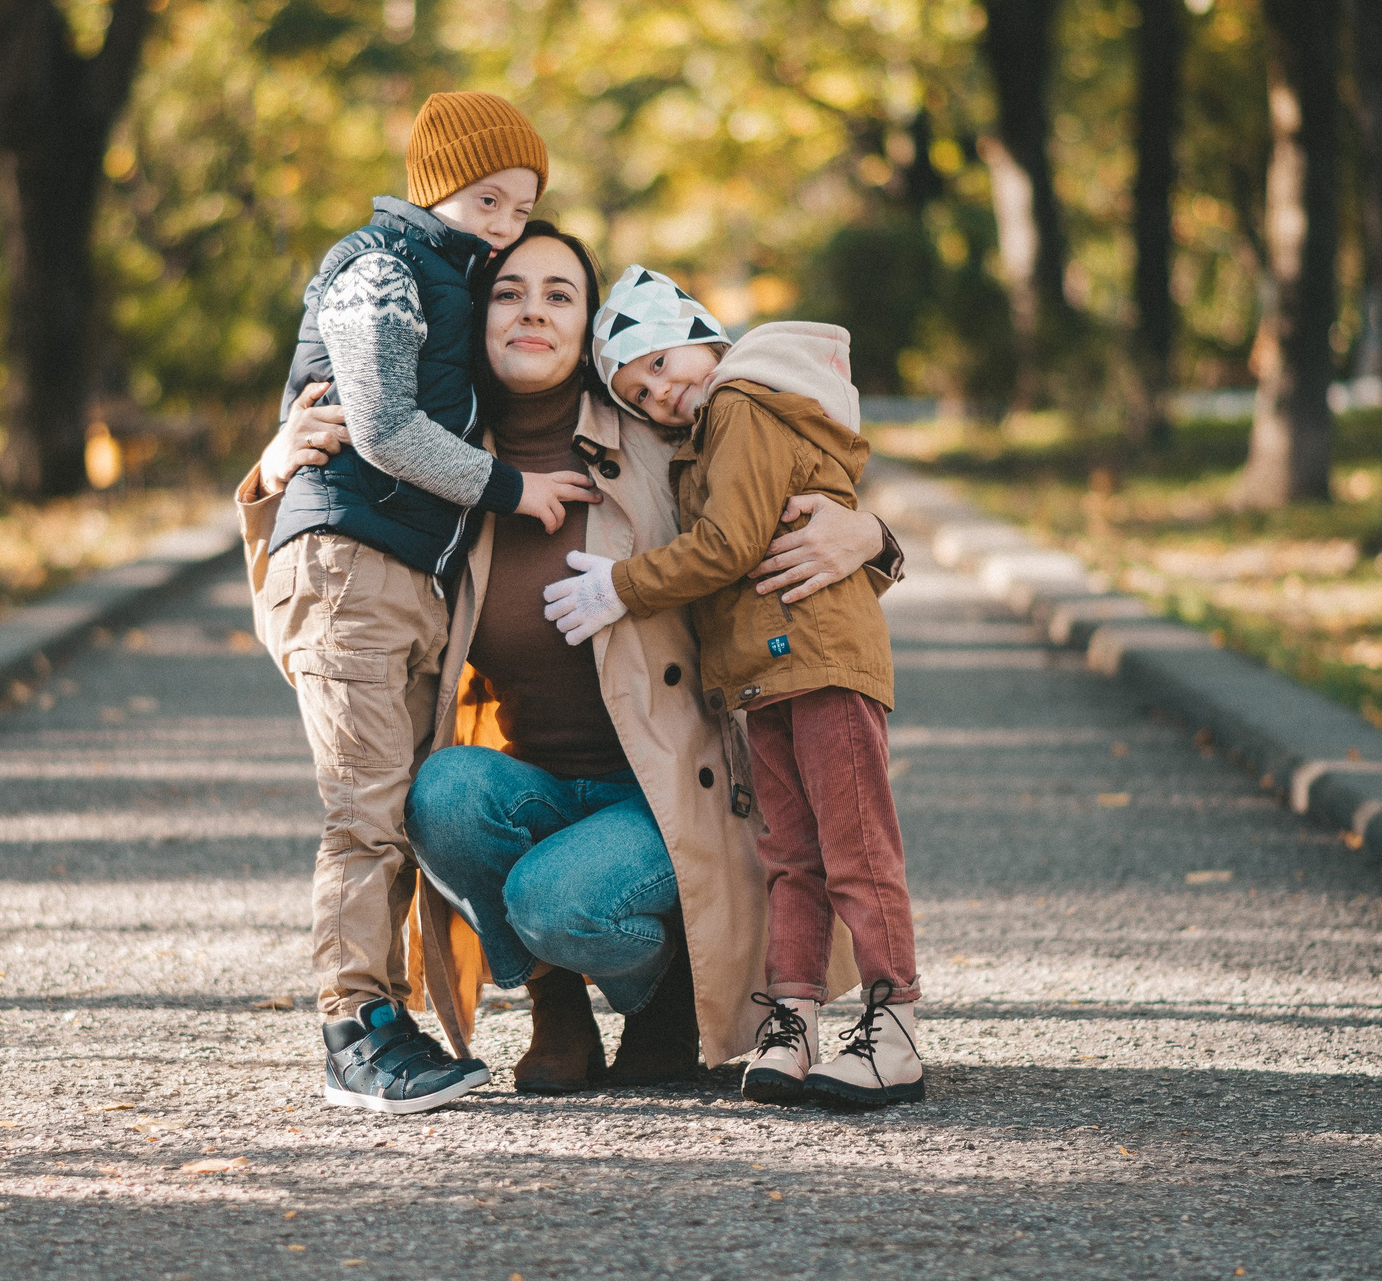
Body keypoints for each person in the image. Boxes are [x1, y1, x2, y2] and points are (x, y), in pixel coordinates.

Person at [248, 228, 901, 1094]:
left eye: (561, 294)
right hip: (537, 784)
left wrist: (875, 539)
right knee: (439, 794)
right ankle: (561, 1008)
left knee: (554, 901)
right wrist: (270, 471)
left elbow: (790, 490)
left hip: (668, 793)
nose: (532, 310)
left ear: (591, 331)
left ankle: (666, 989)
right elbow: (325, 587)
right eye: (510, 292)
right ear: (476, 321)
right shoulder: (434, 461)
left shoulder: (663, 435)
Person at [254, 92, 600, 1116]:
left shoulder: (455, 281)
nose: (502, 222)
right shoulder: (382, 270)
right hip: (351, 568)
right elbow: (382, 425)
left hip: (401, 575)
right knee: (363, 814)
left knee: (391, 809)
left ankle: (384, 1017)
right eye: (487, 198)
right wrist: (512, 489)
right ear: (430, 184)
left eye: (521, 205)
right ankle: (354, 1030)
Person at [543, 265, 924, 1110]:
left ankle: (893, 1025)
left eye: (664, 360)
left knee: (856, 846)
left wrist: (621, 585)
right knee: (789, 856)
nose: (661, 389)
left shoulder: (743, 404)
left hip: (821, 658)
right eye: (640, 387)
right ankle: (789, 1019)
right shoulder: (713, 428)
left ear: (706, 335)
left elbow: (730, 543)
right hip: (765, 674)